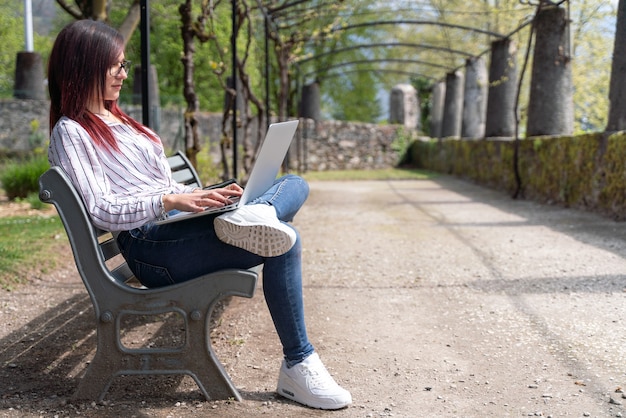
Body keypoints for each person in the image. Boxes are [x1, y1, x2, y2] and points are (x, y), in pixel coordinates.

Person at [47, 19, 351, 410]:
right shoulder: (72, 132)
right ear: (83, 65)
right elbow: (100, 208)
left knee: (295, 181)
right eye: (116, 65)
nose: (123, 74)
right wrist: (168, 204)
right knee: (285, 241)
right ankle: (299, 365)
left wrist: (206, 195)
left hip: (172, 229)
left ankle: (252, 212)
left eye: (124, 65)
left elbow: (165, 187)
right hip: (150, 248)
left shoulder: (123, 123)